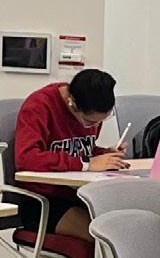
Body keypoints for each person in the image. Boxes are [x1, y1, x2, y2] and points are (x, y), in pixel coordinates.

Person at [13, 68, 125, 241]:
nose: (95, 126)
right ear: (72, 104)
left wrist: (105, 154)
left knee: (126, 225)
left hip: (80, 195)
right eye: (90, 122)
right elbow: (26, 158)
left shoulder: (90, 106)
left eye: (101, 121)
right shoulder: (39, 106)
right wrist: (86, 164)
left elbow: (79, 149)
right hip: (43, 201)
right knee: (109, 237)